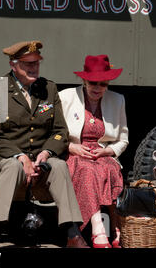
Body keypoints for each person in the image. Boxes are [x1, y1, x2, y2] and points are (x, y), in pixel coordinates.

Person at [0, 40, 88, 248]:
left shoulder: (49, 88)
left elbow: (59, 131)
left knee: (59, 165)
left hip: (40, 157)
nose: (33, 68)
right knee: (12, 167)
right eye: (27, 64)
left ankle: (73, 234)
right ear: (13, 65)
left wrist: (46, 153)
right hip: (6, 157)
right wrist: (20, 157)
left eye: (36, 63)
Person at [59, 54, 128, 248]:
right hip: (74, 153)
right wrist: (71, 146)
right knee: (87, 171)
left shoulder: (118, 100)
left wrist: (108, 152)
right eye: (93, 83)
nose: (98, 88)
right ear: (84, 80)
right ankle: (99, 230)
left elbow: (123, 139)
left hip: (102, 152)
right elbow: (53, 132)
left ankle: (115, 228)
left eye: (103, 84)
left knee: (109, 169)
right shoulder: (66, 97)